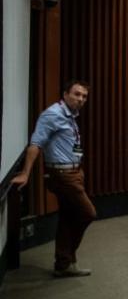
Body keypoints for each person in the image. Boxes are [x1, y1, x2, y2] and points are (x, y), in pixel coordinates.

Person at [12, 80, 96, 277]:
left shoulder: (71, 116)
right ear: (65, 94)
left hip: (74, 173)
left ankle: (63, 265)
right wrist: (25, 173)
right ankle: (68, 257)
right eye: (77, 94)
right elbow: (36, 144)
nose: (81, 99)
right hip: (64, 175)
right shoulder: (53, 115)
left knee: (67, 217)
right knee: (88, 213)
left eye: (84, 96)